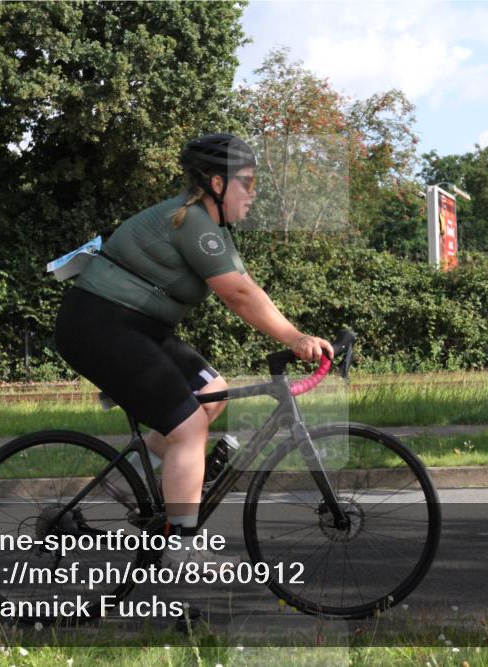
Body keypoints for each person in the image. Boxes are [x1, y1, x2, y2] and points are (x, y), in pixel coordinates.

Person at [53, 133, 333, 565]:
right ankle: (180, 551)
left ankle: (131, 486)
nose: (253, 194)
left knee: (210, 393)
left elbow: (248, 287)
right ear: (218, 184)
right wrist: (295, 339)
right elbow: (236, 295)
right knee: (189, 431)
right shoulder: (192, 222)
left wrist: (296, 334)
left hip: (140, 327)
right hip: (100, 324)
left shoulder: (209, 227)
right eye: (247, 182)